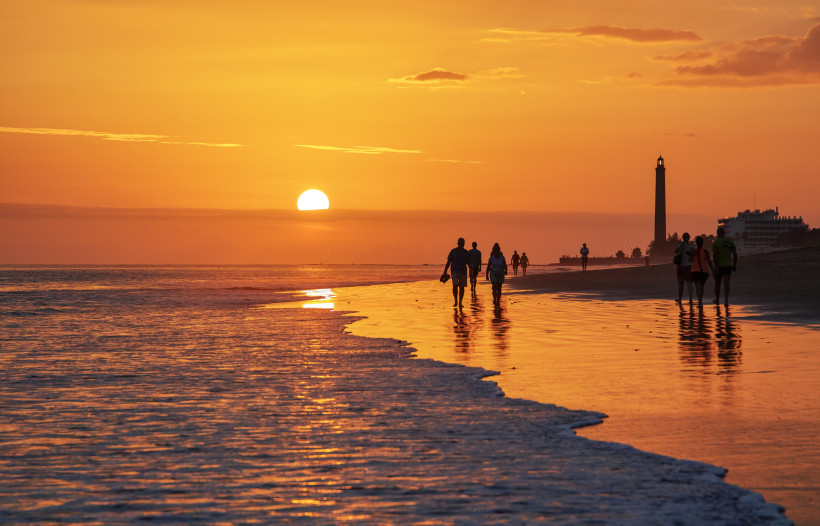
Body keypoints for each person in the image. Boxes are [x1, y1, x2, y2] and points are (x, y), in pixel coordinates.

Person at [712, 227, 738, 307]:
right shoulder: (729, 242)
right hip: (728, 265)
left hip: (719, 266)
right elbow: (735, 254)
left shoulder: (715, 243)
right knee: (726, 284)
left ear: (717, 234)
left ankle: (717, 300)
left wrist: (715, 267)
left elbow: (715, 256)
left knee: (717, 284)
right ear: (724, 233)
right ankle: (726, 301)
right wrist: (734, 264)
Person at [443, 237, 471, 308]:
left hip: (463, 272)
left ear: (464, 244)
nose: (461, 245)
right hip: (454, 271)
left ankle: (460, 302)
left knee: (462, 287)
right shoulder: (453, 251)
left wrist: (471, 270)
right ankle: (455, 301)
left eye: (462, 243)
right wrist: (445, 271)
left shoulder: (466, 252)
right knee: (455, 286)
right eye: (460, 243)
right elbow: (448, 262)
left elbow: (469, 263)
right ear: (457, 243)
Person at [690, 236, 714, 309]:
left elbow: (690, 260)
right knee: (701, 287)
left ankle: (700, 302)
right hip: (704, 272)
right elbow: (709, 262)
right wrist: (713, 271)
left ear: (696, 243)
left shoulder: (693, 251)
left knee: (698, 287)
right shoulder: (705, 251)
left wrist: (691, 254)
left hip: (695, 271)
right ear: (702, 243)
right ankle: (700, 301)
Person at [674, 232, 694, 305]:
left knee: (680, 285)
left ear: (682, 238)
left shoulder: (679, 245)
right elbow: (693, 257)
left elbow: (675, 252)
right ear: (689, 238)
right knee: (689, 284)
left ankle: (679, 299)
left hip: (680, 266)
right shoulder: (691, 246)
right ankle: (690, 299)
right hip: (689, 266)